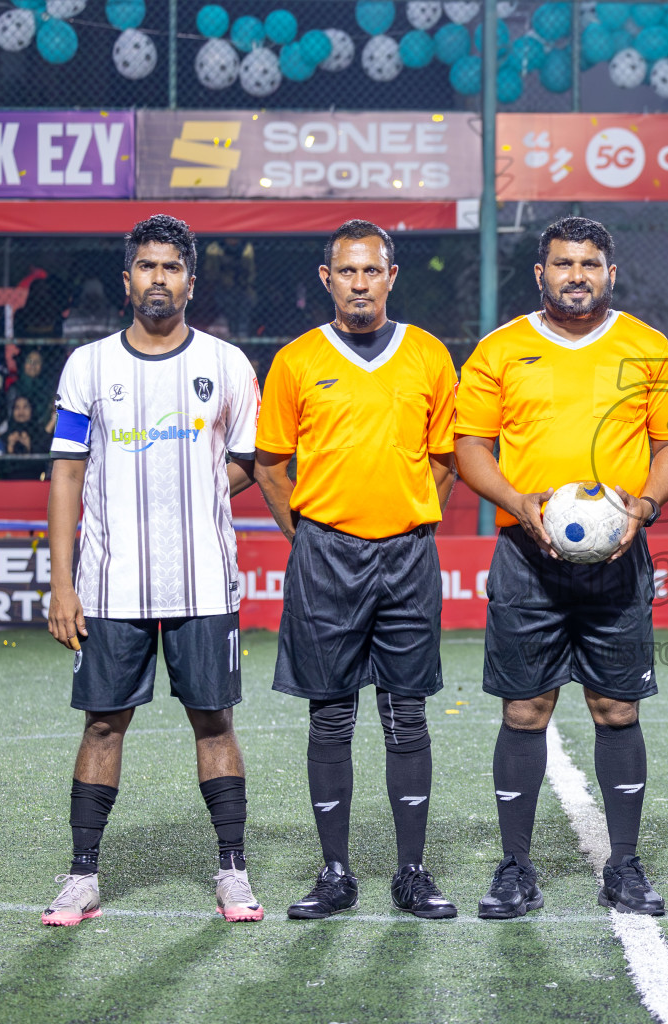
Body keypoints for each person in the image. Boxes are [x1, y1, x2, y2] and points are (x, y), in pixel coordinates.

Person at [455, 217, 668, 920]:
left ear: (610, 273)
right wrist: (518, 503)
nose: (577, 275)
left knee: (616, 708)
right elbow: (471, 448)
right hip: (528, 556)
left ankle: (624, 865)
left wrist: (644, 508)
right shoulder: (500, 350)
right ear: (540, 273)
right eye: (563, 263)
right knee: (525, 709)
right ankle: (515, 868)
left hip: (620, 558)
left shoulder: (647, 349)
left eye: (590, 263)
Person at [41, 215, 263, 927]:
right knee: (103, 726)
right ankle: (81, 877)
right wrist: (61, 581)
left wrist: (193, 493)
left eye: (171, 267)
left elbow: (248, 462)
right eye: (146, 266)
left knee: (214, 722)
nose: (158, 278)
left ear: (190, 281)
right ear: (128, 278)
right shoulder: (89, 366)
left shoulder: (227, 364)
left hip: (203, 579)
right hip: (109, 583)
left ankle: (231, 869)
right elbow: (67, 474)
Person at [256, 220, 460, 921]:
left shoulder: (429, 354)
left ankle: (411, 871)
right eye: (347, 271)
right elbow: (271, 461)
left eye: (372, 271)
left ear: (391, 276)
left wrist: (409, 513)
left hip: (406, 552)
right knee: (331, 715)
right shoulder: (296, 361)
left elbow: (445, 457)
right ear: (327, 278)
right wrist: (309, 532)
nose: (361, 283)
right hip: (325, 554)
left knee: (406, 714)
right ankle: (336, 872)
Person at [1, 393, 52, 481]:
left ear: (32, 410)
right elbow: (1, 468)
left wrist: (29, 448)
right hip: (9, 482)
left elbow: (42, 465)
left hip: (35, 480)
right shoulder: (6, 435)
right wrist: (10, 448)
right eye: (17, 408)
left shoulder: (38, 434)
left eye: (25, 407)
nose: (21, 412)